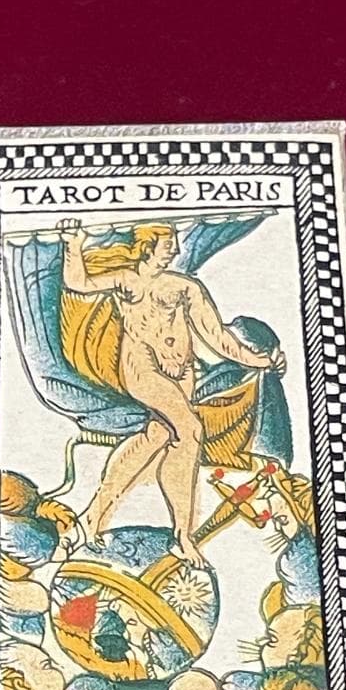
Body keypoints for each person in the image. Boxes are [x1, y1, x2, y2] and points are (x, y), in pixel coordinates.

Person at [57, 218, 286, 568]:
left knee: (155, 437)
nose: (175, 250)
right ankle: (182, 536)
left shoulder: (184, 287)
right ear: (147, 248)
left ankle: (90, 519)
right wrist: (73, 245)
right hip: (143, 369)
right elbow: (78, 282)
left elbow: (216, 335)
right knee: (189, 431)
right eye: (168, 245)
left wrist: (257, 360)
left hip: (183, 373)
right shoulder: (127, 282)